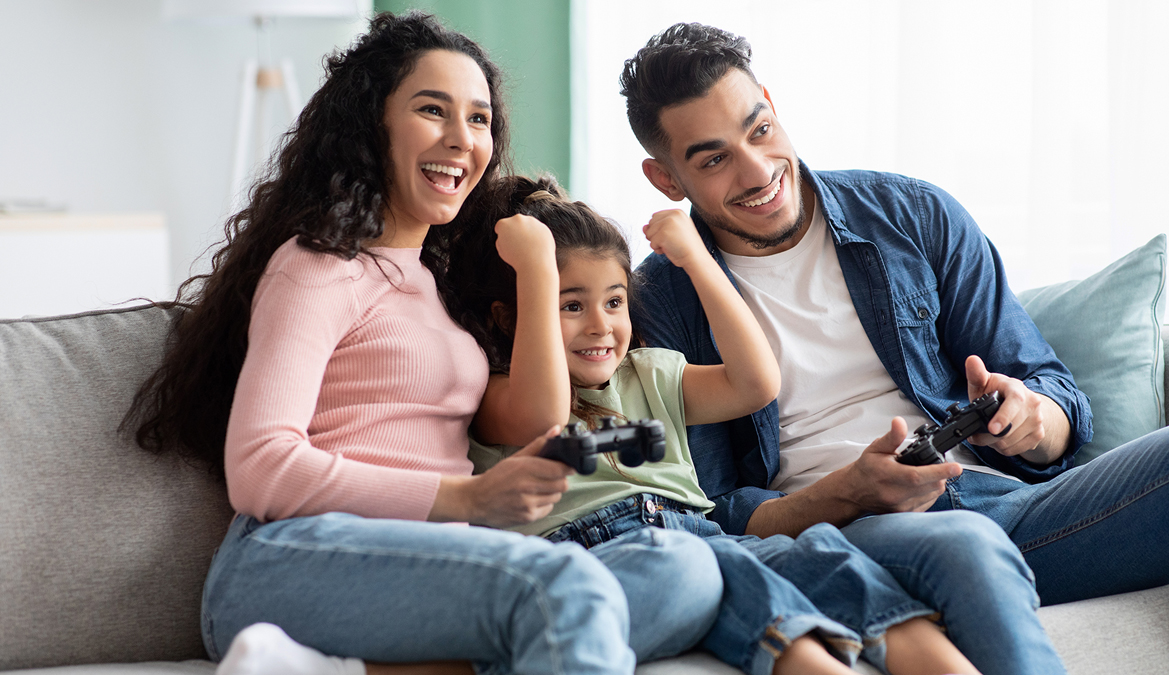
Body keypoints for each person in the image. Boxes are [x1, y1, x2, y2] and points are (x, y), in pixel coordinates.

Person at [124, 12, 726, 675]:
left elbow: (536, 416)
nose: (461, 138)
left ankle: (345, 669)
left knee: (685, 571)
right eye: (432, 110)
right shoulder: (319, 265)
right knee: (566, 587)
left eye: (478, 119)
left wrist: (540, 269)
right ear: (372, 121)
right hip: (291, 555)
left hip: (425, 563)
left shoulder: (442, 282)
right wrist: (466, 499)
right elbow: (260, 468)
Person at [620, 20, 1169, 618]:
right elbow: (704, 510)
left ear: (771, 105)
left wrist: (1031, 420)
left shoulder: (913, 214)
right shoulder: (659, 304)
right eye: (715, 160)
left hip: (1009, 507)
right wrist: (846, 494)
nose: (758, 171)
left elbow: (1055, 397)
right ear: (665, 178)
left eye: (760, 131)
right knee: (964, 543)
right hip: (849, 536)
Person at [448, 172, 1060, 675]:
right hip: (600, 555)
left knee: (822, 553)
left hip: (696, 534)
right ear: (512, 317)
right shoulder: (501, 398)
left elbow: (755, 382)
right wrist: (534, 269)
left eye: (614, 301)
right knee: (733, 569)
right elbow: (547, 414)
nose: (601, 326)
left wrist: (694, 258)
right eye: (570, 305)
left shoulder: (648, 377)